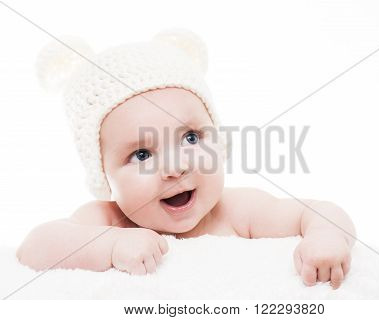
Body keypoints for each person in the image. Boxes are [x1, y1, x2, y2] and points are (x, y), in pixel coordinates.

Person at [17, 29, 356, 289]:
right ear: (104, 174)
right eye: (141, 154)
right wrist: (111, 245)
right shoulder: (109, 221)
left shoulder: (237, 211)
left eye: (191, 138)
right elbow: (34, 247)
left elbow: (318, 211)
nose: (175, 168)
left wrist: (325, 237)